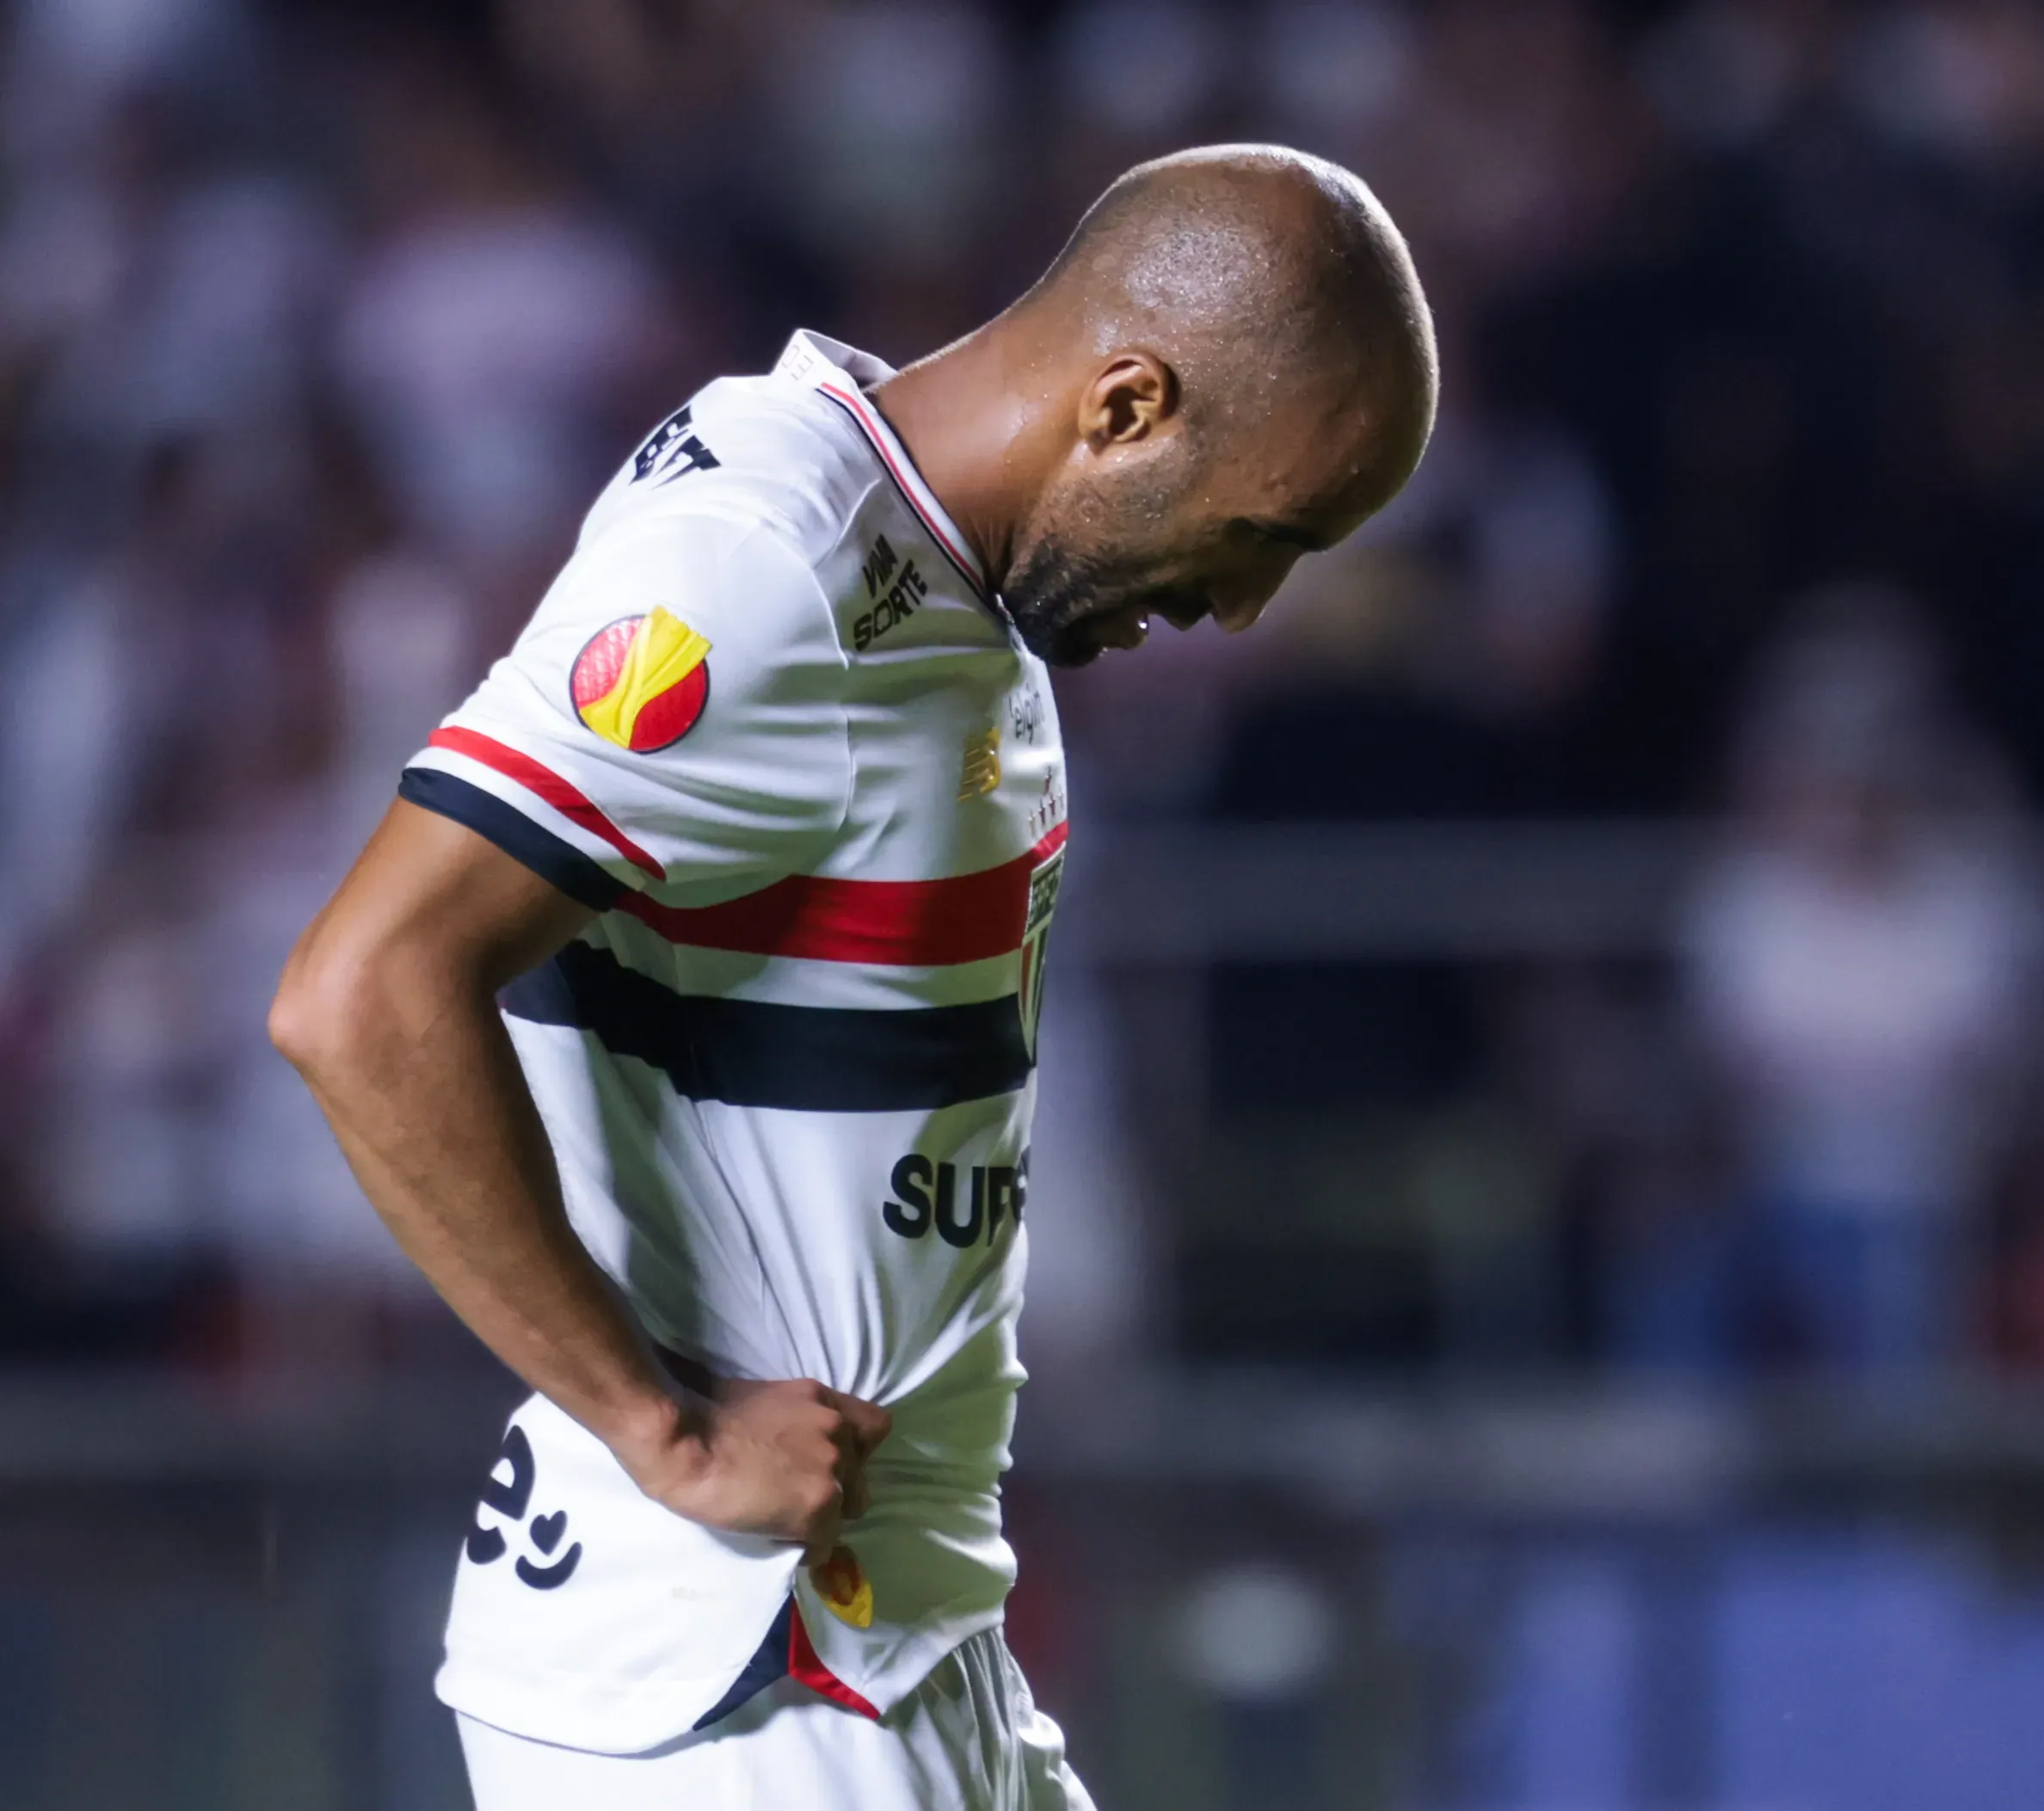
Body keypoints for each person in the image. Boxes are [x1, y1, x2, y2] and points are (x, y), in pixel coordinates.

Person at [268, 145, 1437, 1808]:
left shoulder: (903, 557)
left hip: (890, 1649)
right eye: (1266, 535)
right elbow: (358, 992)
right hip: (743, 1678)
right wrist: (662, 1432)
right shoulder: (767, 571)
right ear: (1125, 406)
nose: (1244, 609)